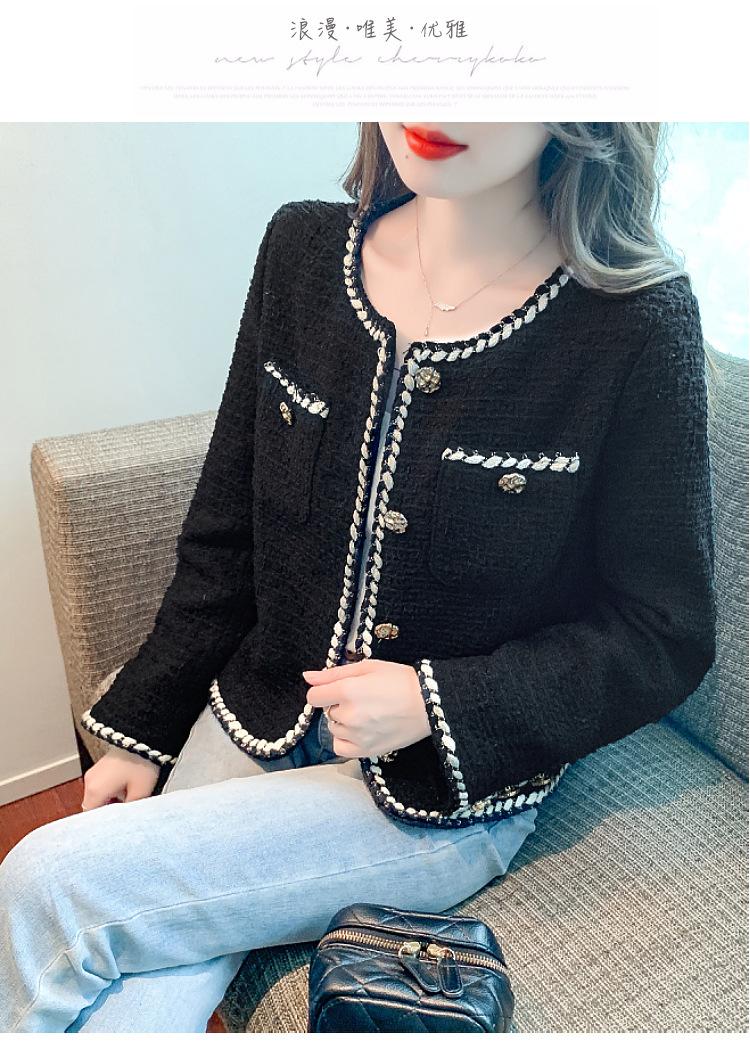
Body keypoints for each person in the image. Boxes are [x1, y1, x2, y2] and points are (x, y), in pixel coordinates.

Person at [0, 122, 716, 1032]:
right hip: (258, 710)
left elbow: (663, 632)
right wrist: (143, 728)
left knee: (50, 879)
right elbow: (225, 535)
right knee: (129, 1003)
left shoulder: (635, 321)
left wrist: (438, 700)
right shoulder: (301, 251)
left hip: (440, 795)